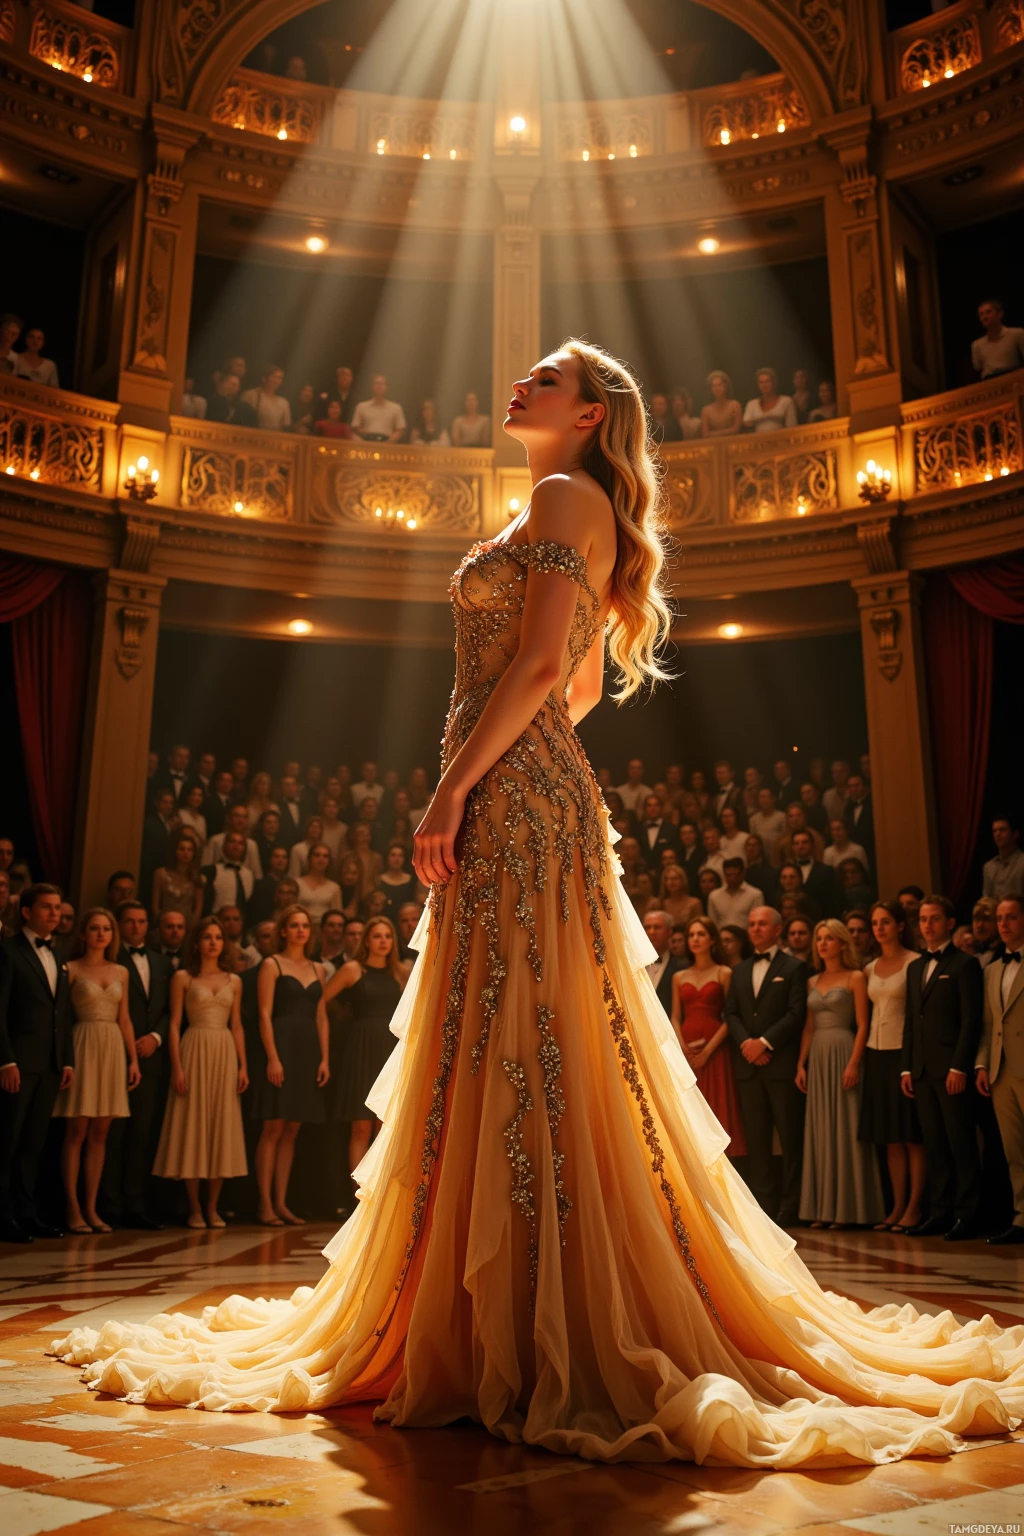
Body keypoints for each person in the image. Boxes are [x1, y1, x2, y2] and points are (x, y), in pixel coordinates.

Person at [51, 342, 1024, 1466]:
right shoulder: (563, 502)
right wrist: (521, 757)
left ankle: (518, 1316)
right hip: (531, 788)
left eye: (546, 379)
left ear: (593, 413)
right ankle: (495, 1309)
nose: (518, 384)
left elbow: (543, 673)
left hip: (513, 799)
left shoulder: (564, 493)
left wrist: (456, 783)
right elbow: (581, 689)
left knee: (520, 1039)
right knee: (518, 1037)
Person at [152, 915, 248, 1228]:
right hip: (194, 1049)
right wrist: (177, 1066)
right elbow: (175, 1023)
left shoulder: (234, 980)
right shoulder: (183, 977)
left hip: (223, 1051)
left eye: (218, 937)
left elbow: (237, 1025)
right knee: (191, 1126)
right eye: (207, 937)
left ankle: (212, 1206)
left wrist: (242, 1065)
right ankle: (193, 1207)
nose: (213, 942)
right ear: (197, 942)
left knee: (221, 1126)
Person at [900, 895, 983, 1240]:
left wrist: (960, 1067)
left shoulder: (965, 964)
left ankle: (969, 1214)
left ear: (950, 923)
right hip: (920, 1070)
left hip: (951, 1069)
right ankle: (940, 1211)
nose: (927, 925)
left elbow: (971, 1020)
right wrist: (906, 1067)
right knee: (933, 1142)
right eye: (922, 919)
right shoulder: (916, 966)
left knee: (959, 1141)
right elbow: (911, 1021)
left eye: (934, 918)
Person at [53, 909, 141, 1234]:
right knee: (77, 1131)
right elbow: (61, 1019)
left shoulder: (121, 971)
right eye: (94, 928)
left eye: (106, 928)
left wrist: (133, 1060)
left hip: (113, 1047)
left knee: (101, 1133)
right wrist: (66, 1060)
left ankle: (91, 1207)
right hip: (83, 1044)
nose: (101, 934)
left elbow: (126, 1019)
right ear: (83, 933)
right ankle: (72, 1207)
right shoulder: (71, 969)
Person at [724, 904, 807, 1227]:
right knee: (756, 1141)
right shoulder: (740, 970)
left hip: (780, 1064)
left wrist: (765, 1043)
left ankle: (791, 1205)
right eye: (753, 924)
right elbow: (731, 1012)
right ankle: (763, 1207)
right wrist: (747, 1043)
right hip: (749, 1066)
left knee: (789, 1138)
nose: (756, 928)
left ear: (777, 928)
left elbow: (796, 1013)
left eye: (763, 924)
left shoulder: (794, 967)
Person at [796, 920, 882, 1229]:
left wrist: (854, 1063)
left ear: (843, 943)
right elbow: (808, 1026)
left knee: (846, 1126)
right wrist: (800, 1064)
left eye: (829, 938)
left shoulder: (856, 977)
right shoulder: (812, 980)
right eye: (819, 938)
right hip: (818, 1055)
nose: (822, 943)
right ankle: (824, 1209)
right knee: (821, 1128)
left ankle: (851, 1210)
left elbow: (863, 1023)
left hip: (844, 1051)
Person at [0, 884, 74, 1241]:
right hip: (18, 1063)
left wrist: (67, 1060)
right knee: (7, 1141)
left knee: (34, 1144)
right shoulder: (9, 951)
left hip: (49, 1065)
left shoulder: (59, 957)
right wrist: (5, 1061)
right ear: (27, 911)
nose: (54, 914)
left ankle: (27, 1213)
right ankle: (3, 1215)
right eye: (47, 907)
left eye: (58, 908)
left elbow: (62, 1013)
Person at [251, 906, 330, 1226]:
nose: (300, 930)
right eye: (294, 925)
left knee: (293, 1129)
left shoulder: (318, 968)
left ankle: (282, 1202)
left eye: (305, 926)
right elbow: (264, 1014)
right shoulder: (271, 965)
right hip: (281, 1045)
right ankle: (264, 1204)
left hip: (308, 1049)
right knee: (273, 1126)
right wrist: (272, 1057)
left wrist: (325, 1058)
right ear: (283, 931)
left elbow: (321, 1016)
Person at [323, 915, 407, 1187]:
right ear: (366, 940)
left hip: (390, 1051)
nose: (383, 941)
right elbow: (321, 1002)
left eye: (387, 936)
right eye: (377, 936)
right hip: (361, 1049)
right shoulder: (353, 969)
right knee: (360, 1125)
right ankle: (359, 1195)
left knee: (384, 1127)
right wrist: (343, 1017)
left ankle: (379, 1194)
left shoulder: (400, 972)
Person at [101, 901, 171, 1230]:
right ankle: (109, 1204)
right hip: (113, 1053)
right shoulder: (111, 959)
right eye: (129, 921)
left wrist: (156, 1037)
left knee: (142, 1133)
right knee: (112, 1132)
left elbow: (172, 1008)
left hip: (152, 1057)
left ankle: (136, 1203)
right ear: (119, 925)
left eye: (142, 921)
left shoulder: (160, 962)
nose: (136, 927)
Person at [858, 901, 925, 1234]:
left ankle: (915, 1206)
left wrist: (911, 1063)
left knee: (911, 1134)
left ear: (900, 925)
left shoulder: (915, 963)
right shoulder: (869, 968)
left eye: (886, 922)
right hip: (876, 1053)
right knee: (890, 1137)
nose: (879, 928)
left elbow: (915, 1016)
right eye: (875, 923)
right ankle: (897, 1205)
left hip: (903, 1054)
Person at [670, 917, 746, 1156]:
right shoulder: (679, 976)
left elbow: (730, 1017)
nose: (695, 939)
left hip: (716, 1050)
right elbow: (675, 1017)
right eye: (691, 935)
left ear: (712, 939)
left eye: (701, 934)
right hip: (687, 1052)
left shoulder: (724, 972)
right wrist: (682, 1049)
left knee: (718, 1106)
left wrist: (707, 1052)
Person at [976, 896, 1024, 1244]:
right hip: (1001, 1069)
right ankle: (1022, 1216)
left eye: (1012, 917)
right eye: (1000, 918)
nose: (1004, 924)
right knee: (1013, 1149)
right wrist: (981, 1063)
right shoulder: (992, 968)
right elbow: (988, 1022)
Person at [152, 830, 204, 932]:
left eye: (190, 850)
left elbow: (198, 910)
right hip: (164, 924)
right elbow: (155, 905)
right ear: (175, 851)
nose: (186, 853)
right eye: (182, 849)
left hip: (187, 926)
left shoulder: (197, 878)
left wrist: (190, 927)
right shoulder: (161, 873)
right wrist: (161, 923)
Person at [971, 298, 1024, 379]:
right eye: (981, 314)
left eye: (988, 312)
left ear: (1000, 314)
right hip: (989, 381)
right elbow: (978, 367)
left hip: (1013, 378)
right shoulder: (977, 345)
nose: (984, 317)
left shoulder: (1017, 334)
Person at [295, 843, 343, 927]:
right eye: (317, 855)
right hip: (302, 927)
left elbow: (337, 917)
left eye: (325, 856)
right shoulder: (297, 883)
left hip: (325, 931)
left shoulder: (334, 888)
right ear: (309, 858)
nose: (321, 859)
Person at [707, 858, 762, 930]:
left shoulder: (755, 895)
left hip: (746, 938)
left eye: (735, 875)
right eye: (728, 875)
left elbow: (757, 921)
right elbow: (713, 923)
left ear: (743, 873)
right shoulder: (714, 896)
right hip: (722, 937)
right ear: (724, 874)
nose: (732, 878)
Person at [350, 374, 406, 442]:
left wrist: (387, 444)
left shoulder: (396, 408)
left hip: (387, 443)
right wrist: (364, 442)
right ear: (372, 386)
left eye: (383, 384)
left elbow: (400, 430)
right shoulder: (361, 406)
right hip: (365, 443)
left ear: (386, 387)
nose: (380, 386)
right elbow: (355, 428)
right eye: (377, 383)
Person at [742, 367, 797, 433]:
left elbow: (792, 426)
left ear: (774, 382)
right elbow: (746, 423)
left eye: (768, 381)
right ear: (758, 385)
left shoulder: (786, 401)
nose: (764, 385)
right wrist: (767, 417)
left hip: (781, 439)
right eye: (761, 382)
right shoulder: (751, 404)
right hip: (758, 440)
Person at [983, 816, 1024, 902]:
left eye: (1002, 830)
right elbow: (986, 901)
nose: (997, 834)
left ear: (1015, 834)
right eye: (994, 831)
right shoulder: (989, 867)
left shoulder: (1022, 862)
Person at [242, 365, 292, 431]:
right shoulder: (251, 395)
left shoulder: (283, 402)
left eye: (280, 378)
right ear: (264, 378)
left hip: (274, 438)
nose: (276, 381)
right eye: (274, 377)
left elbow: (286, 426)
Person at [700, 370, 742, 437]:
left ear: (726, 386)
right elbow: (705, 434)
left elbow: (736, 429)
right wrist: (727, 431)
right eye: (714, 386)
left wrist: (714, 433)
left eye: (719, 385)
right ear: (710, 389)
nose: (717, 388)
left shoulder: (735, 405)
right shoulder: (706, 410)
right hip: (714, 444)